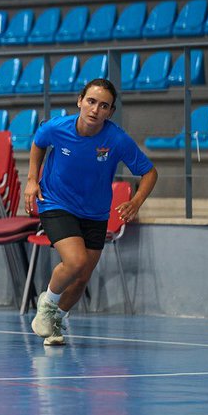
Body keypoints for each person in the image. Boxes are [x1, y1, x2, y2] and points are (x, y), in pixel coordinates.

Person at [23, 78, 157, 346]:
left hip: (95, 212)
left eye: (103, 105)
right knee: (76, 262)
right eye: (91, 101)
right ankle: (47, 306)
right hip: (56, 202)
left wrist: (136, 201)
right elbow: (39, 142)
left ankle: (56, 321)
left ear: (110, 112)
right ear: (80, 101)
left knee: (82, 277)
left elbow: (150, 172)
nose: (95, 109)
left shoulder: (116, 139)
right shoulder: (57, 128)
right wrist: (31, 179)